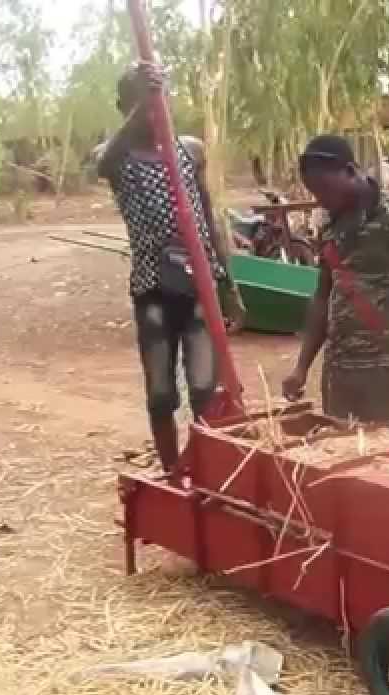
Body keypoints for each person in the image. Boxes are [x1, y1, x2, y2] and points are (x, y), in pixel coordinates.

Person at [97, 63, 228, 472]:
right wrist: (143, 104)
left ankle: (206, 469)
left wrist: (230, 284)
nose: (157, 110)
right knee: (160, 394)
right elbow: (101, 164)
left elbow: (208, 219)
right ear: (124, 107)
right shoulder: (118, 157)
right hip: (153, 289)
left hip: (199, 284)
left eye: (161, 99)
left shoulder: (189, 151)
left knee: (205, 388)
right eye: (145, 102)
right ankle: (172, 473)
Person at [281, 134, 389, 430]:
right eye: (315, 192)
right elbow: (322, 297)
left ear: (351, 171)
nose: (322, 199)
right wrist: (301, 367)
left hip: (388, 372)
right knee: (340, 451)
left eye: (326, 189)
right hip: (339, 374)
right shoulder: (329, 226)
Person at [177, 135, 247, 334]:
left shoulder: (190, 150)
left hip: (198, 272)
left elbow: (208, 218)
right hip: (156, 281)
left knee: (202, 341)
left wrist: (231, 288)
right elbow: (102, 158)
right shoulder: (124, 155)